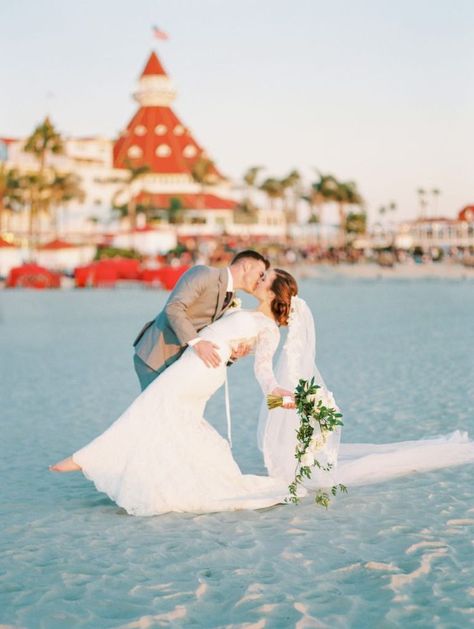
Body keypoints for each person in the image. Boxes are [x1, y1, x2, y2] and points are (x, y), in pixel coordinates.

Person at [49, 269, 298, 515]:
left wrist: (283, 396)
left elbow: (263, 371)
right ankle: (179, 479)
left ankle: (88, 459)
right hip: (194, 363)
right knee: (174, 419)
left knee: (150, 407)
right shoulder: (244, 312)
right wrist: (234, 350)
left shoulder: (270, 330)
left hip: (201, 369)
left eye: (265, 280)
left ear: (274, 294)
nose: (258, 280)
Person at [133, 249, 269, 391]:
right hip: (156, 355)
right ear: (246, 266)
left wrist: (231, 354)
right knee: (156, 410)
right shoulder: (204, 274)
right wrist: (197, 343)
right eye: (261, 274)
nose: (261, 280)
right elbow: (174, 308)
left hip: (179, 365)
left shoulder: (230, 298)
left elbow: (210, 333)